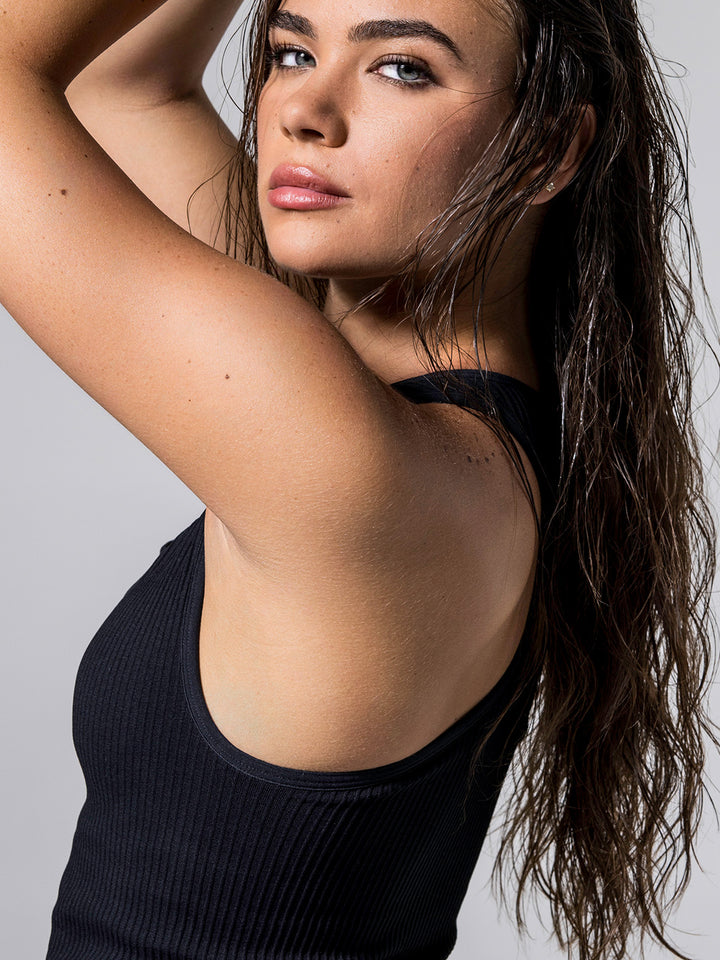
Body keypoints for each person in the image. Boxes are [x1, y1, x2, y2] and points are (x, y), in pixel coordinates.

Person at [0, 1, 716, 959]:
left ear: (548, 149)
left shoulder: (357, 461)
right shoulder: (447, 439)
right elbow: (127, 87)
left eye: (401, 68)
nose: (304, 109)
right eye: (292, 50)